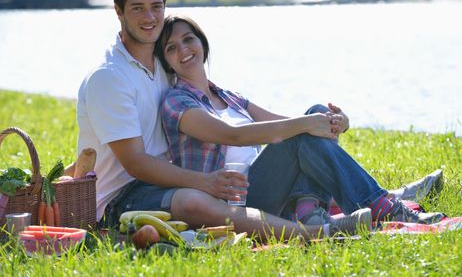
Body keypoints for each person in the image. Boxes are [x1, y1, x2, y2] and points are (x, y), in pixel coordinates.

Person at [75, 0, 366, 241]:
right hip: (120, 200)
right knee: (193, 200)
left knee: (301, 131)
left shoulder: (163, 66)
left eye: (156, 7)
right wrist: (202, 181)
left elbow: (239, 117)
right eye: (137, 8)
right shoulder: (110, 77)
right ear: (118, 11)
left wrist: (327, 120)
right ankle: (312, 233)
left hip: (167, 183)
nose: (149, 18)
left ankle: (369, 205)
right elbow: (135, 163)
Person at [156, 14, 445, 230]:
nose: (183, 50)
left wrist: (335, 122)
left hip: (268, 190)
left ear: (202, 41)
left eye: (188, 39)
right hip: (232, 204)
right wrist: (309, 124)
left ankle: (311, 212)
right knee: (302, 128)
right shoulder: (176, 102)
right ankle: (381, 206)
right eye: (171, 47)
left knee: (311, 116)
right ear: (166, 61)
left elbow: (286, 123)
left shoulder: (228, 96)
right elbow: (232, 135)